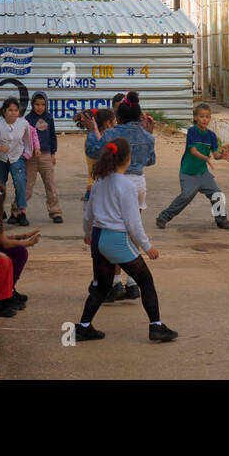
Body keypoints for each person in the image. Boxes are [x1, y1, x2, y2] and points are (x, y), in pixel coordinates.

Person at [74, 138, 178, 343]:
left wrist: (87, 233)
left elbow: (89, 213)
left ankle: (83, 326)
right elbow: (133, 222)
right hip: (116, 239)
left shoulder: (99, 181)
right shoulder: (127, 185)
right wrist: (148, 246)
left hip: (97, 237)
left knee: (100, 285)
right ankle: (156, 326)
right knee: (146, 281)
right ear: (127, 159)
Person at [99, 97, 156, 301]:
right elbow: (150, 160)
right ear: (139, 116)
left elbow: (99, 152)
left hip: (117, 181)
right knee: (134, 230)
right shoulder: (147, 136)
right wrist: (148, 135)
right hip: (139, 183)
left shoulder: (112, 134)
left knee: (115, 232)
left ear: (118, 116)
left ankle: (115, 283)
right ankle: (133, 283)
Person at [156, 103, 229, 230]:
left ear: (210, 118)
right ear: (196, 118)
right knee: (186, 197)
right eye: (202, 116)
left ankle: (221, 220)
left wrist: (222, 156)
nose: (204, 119)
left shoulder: (212, 136)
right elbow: (193, 151)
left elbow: (216, 154)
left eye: (207, 117)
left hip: (203, 173)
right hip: (188, 172)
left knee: (217, 194)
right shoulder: (192, 131)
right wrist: (206, 158)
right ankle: (163, 217)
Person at [0, 182, 42, 307]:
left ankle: (9, 289)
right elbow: (5, 243)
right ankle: (7, 290)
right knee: (20, 251)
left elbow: (0, 238)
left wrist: (21, 237)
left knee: (17, 250)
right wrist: (28, 243)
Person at [0, 97, 35, 226]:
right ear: (4, 111)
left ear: (19, 111)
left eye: (16, 110)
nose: (13, 113)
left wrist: (28, 153)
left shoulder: (23, 123)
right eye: (10, 110)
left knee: (20, 182)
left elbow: (30, 136)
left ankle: (20, 211)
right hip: (0, 158)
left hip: (17, 157)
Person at [25, 92, 63, 223]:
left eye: (42, 104)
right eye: (37, 104)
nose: (39, 107)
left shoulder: (49, 118)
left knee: (50, 185)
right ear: (32, 104)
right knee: (27, 186)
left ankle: (55, 212)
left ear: (46, 105)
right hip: (31, 158)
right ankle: (18, 211)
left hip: (46, 156)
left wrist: (53, 154)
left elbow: (53, 136)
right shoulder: (28, 119)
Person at [76, 107, 116, 200]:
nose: (115, 125)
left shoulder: (99, 137)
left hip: (96, 185)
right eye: (114, 122)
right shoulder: (95, 139)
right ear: (107, 124)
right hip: (96, 186)